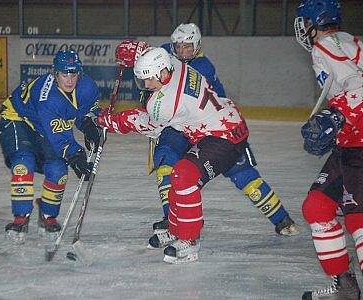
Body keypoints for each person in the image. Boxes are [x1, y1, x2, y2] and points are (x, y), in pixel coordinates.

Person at [85, 47, 280, 264]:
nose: (146, 86)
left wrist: (109, 121)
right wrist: (131, 50)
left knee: (185, 174)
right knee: (179, 174)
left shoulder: (165, 103)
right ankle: (176, 227)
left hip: (225, 137)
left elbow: (146, 123)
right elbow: (149, 50)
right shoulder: (175, 64)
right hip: (219, 125)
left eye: (148, 80)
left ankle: (189, 239)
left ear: (161, 73)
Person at [115, 24, 299, 250]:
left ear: (198, 46)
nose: (182, 51)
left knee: (242, 174)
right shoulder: (168, 58)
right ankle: (171, 221)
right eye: (178, 46)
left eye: (187, 46)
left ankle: (281, 218)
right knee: (167, 160)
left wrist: (113, 119)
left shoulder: (202, 66)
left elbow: (156, 109)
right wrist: (135, 53)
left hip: (209, 125)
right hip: (185, 124)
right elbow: (152, 58)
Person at [0, 50, 102, 244]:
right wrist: (76, 155)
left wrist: (90, 124)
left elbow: (87, 110)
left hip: (43, 126)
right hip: (18, 119)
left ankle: (48, 215)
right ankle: (20, 218)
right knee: (23, 163)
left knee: (58, 170)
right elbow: (59, 137)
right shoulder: (48, 98)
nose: (69, 80)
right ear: (55, 74)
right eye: (64, 74)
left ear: (80, 73)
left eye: (73, 74)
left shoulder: (87, 86)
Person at [295, 0, 363, 298]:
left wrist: (338, 115)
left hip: (359, 145)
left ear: (313, 21)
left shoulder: (324, 48)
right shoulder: (349, 41)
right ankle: (345, 287)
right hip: (350, 143)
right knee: (318, 206)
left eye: (303, 22)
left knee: (357, 218)